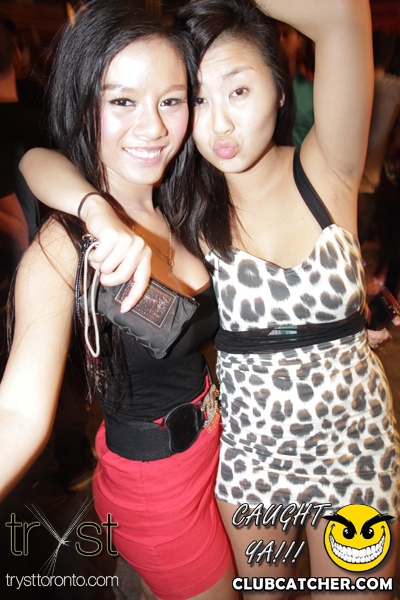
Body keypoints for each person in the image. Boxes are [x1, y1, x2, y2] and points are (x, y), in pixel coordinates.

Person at [20, 0, 400, 597]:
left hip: (353, 446)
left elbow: (343, 14)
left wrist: (359, 312)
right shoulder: (189, 214)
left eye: (239, 91)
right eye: (197, 100)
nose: (219, 123)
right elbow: (37, 159)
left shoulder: (326, 171)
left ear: (279, 91)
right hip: (251, 462)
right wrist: (94, 209)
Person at [0, 2, 236, 600]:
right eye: (123, 101)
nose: (153, 127)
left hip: (219, 455)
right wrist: (93, 210)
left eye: (171, 100)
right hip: (158, 493)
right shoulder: (68, 246)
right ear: (84, 105)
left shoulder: (185, 203)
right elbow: (17, 414)